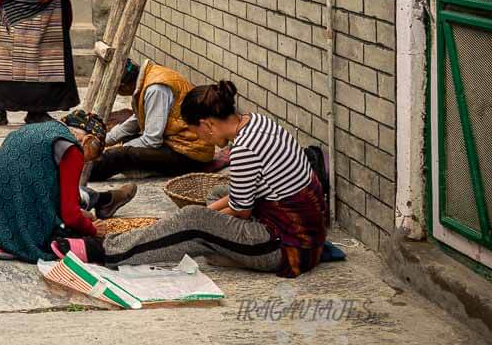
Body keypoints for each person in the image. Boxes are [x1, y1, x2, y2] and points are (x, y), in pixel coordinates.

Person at [54, 81, 329, 278]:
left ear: (208, 124)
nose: (202, 139)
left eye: (199, 132)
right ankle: (211, 241)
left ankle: (104, 251)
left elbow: (241, 210)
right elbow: (243, 195)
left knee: (194, 221)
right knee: (214, 196)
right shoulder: (257, 122)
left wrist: (191, 219)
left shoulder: (245, 149)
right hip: (298, 229)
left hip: (288, 248)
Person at [0, 111, 137, 263]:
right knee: (81, 240)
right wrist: (93, 229)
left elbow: (38, 186)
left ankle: (104, 200)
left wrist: (78, 213)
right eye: (90, 157)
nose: (86, 162)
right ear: (87, 141)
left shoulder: (32, 130)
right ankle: (105, 201)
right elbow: (69, 216)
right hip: (6, 224)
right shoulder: (72, 149)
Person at [88, 60, 215, 181]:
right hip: (174, 142)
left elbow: (152, 140)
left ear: (123, 86)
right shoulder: (148, 78)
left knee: (119, 155)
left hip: (190, 155)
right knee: (125, 141)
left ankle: (84, 171)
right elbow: (137, 120)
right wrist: (105, 140)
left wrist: (116, 148)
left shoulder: (155, 89)